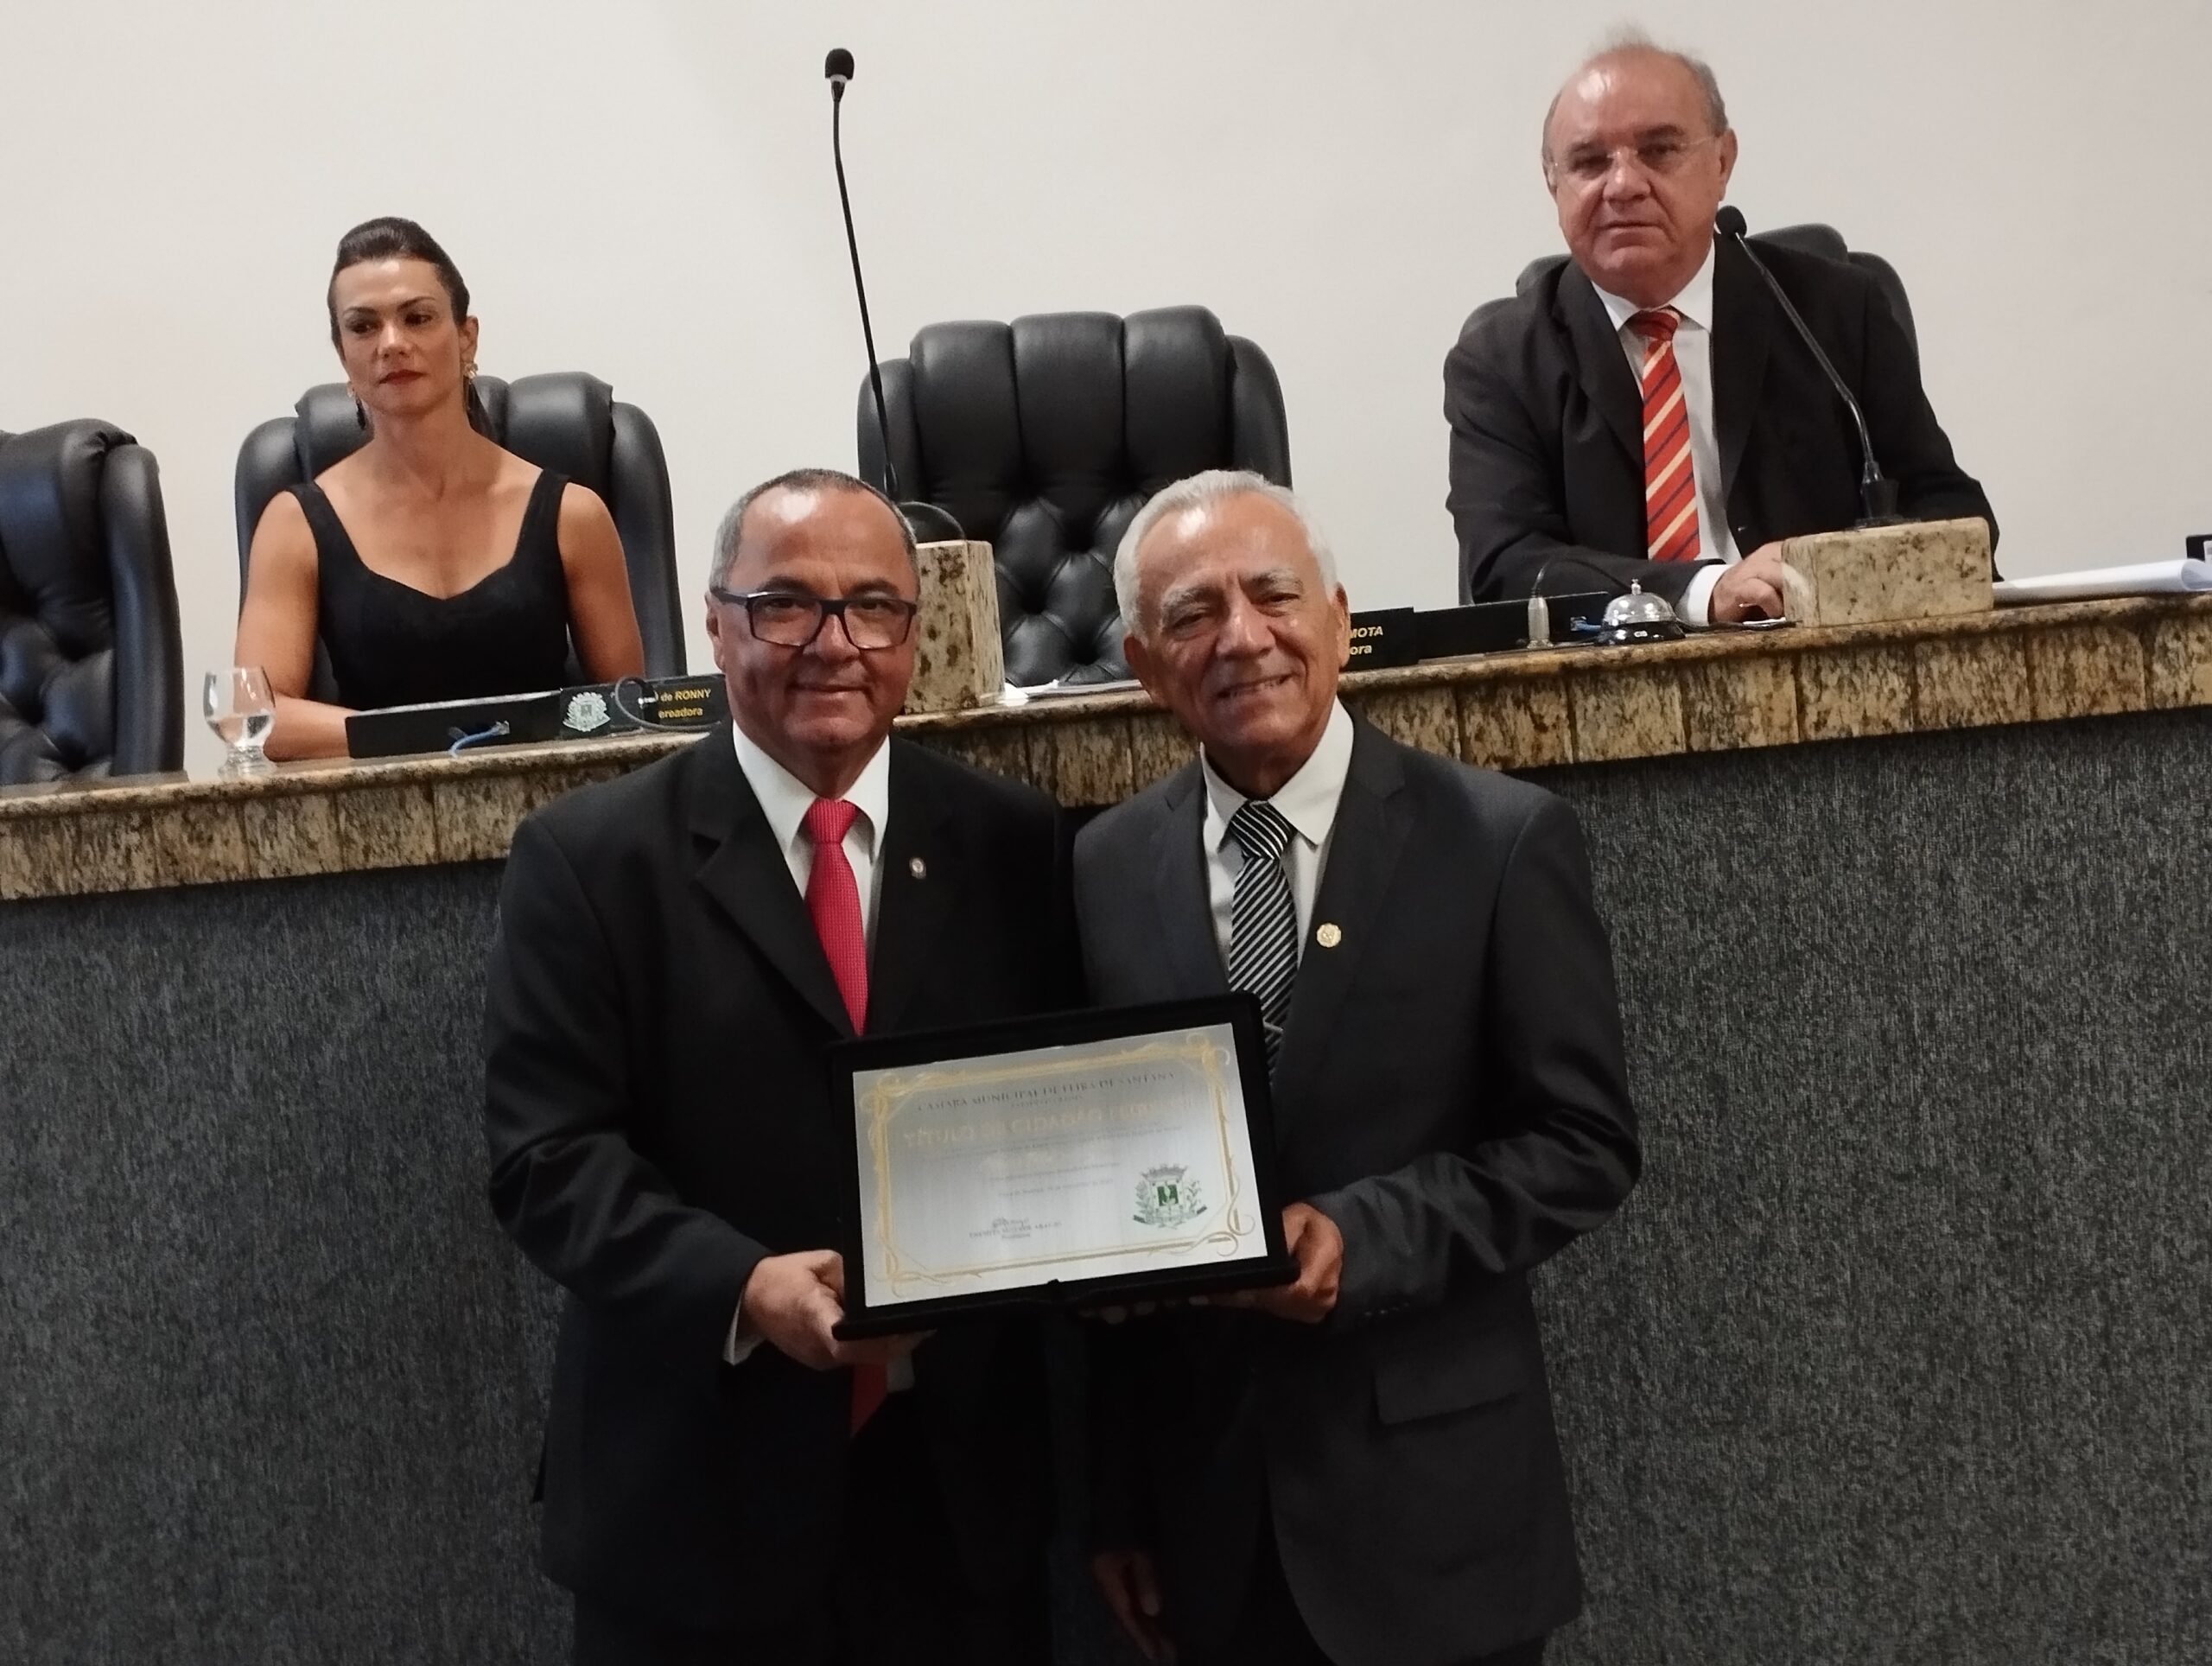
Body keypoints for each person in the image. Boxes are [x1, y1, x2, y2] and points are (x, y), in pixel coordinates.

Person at [483, 468, 1071, 1665]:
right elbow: (548, 1160)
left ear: (915, 630)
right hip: (696, 1498)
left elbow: (1056, 1118)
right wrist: (744, 1287)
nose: (834, 644)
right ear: (716, 623)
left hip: (959, 1508)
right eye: (787, 604)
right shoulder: (589, 861)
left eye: (872, 606)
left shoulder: (1013, 844)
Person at [1077, 470, 1639, 1666]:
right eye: (1192, 614)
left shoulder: (1499, 839)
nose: (1242, 637)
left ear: (1338, 618)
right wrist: (1115, 1503)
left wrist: (1362, 1238)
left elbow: (1583, 1147)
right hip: (1210, 1523)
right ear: (1143, 663)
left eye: (1273, 594)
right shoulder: (1103, 867)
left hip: (1435, 1516)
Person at [1444, 35, 1995, 623]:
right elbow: (1506, 566)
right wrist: (1704, 591)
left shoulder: (1833, 312)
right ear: (1553, 181)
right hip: (1611, 672)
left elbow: (1955, 518)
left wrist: (1829, 575)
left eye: (1659, 150)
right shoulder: (1501, 360)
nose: (1624, 185)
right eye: (1589, 162)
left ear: (1723, 161)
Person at [236, 217, 643, 758]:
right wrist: (428, 737)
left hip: (553, 801)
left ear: (466, 336)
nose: (392, 344)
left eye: (417, 318)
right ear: (342, 355)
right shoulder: (295, 524)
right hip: (374, 800)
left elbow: (629, 714)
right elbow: (256, 718)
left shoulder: (573, 515)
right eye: (363, 327)